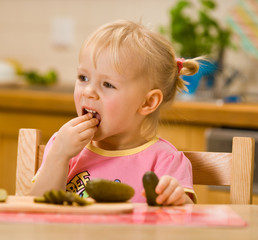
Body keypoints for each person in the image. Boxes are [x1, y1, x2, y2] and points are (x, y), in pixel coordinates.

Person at [30, 20, 200, 205]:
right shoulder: (62, 145)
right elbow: (35, 209)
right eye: (83, 78)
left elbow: (184, 221)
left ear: (147, 102)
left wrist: (176, 199)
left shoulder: (165, 160)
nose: (88, 92)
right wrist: (58, 157)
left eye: (108, 84)